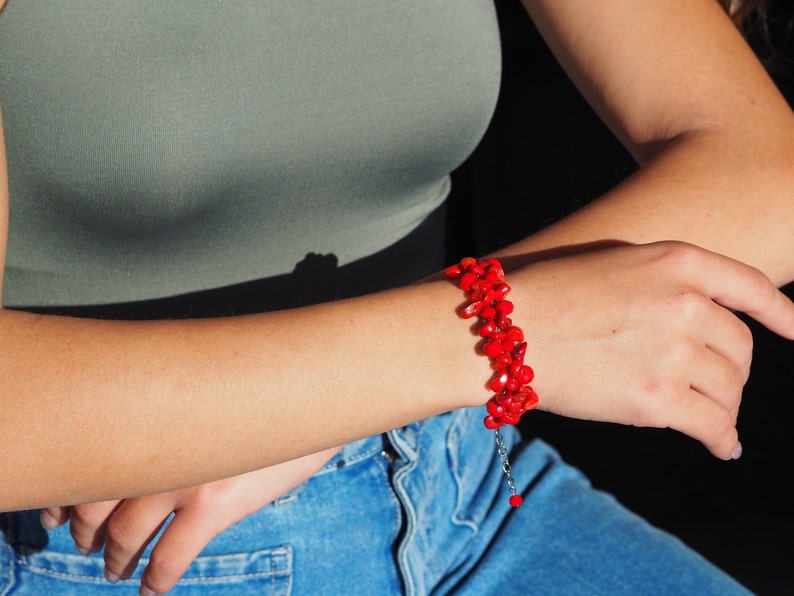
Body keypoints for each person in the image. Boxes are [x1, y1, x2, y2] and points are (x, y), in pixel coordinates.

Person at [1, 0, 793, 594]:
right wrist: (490, 331)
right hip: (119, 554)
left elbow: (762, 172)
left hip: (465, 487)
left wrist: (316, 405)